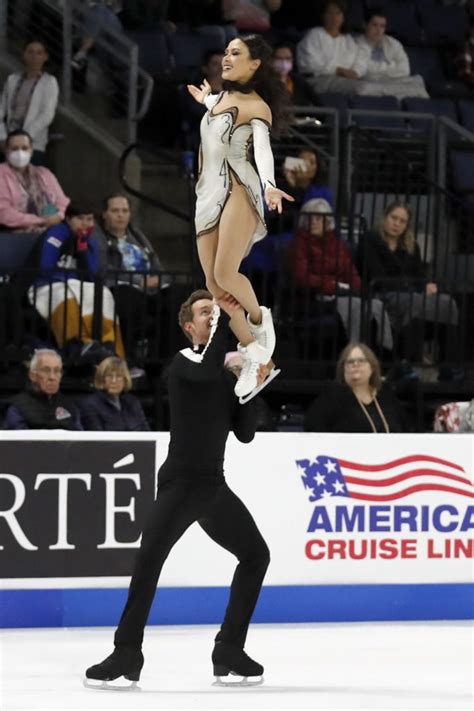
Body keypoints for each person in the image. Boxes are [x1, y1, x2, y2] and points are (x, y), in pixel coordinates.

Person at [85, 289, 270, 686]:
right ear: (190, 327)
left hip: (212, 488)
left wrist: (251, 381)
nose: (214, 317)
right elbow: (204, 372)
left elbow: (246, 434)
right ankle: (126, 653)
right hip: (180, 483)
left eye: (216, 313)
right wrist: (229, 334)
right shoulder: (184, 363)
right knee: (148, 562)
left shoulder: (223, 372)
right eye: (207, 313)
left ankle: (229, 649)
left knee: (256, 556)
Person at [187, 34, 294, 400]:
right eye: (226, 52)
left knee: (225, 273)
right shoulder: (221, 99)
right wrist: (205, 100)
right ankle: (253, 355)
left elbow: (261, 148)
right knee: (215, 289)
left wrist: (269, 185)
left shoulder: (256, 106)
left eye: (236, 53)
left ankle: (260, 320)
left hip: (239, 188)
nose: (226, 58)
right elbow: (215, 109)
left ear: (255, 64)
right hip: (206, 194)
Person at [357, 201, 459, 367]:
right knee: (416, 303)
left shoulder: (412, 246)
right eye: (393, 218)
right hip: (382, 293)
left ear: (407, 225)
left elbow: (419, 275)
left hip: (411, 294)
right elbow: (377, 275)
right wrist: (413, 286)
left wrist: (426, 285)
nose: (396, 224)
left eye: (402, 221)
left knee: (448, 303)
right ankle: (411, 363)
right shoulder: (371, 239)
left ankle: (449, 366)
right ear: (385, 217)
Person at [289, 198, 393, 351]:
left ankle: (385, 352)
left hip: (342, 294)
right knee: (355, 306)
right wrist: (332, 285)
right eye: (310, 217)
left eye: (319, 218)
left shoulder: (337, 244)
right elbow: (301, 276)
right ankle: (355, 352)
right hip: (313, 298)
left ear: (328, 222)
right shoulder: (299, 244)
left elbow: (350, 271)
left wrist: (357, 289)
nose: (314, 222)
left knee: (375, 305)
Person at [28, 202, 125, 361]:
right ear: (68, 219)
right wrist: (72, 280)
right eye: (80, 219)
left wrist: (83, 251)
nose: (85, 224)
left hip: (76, 285)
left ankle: (110, 346)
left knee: (104, 293)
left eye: (89, 219)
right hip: (45, 285)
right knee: (65, 295)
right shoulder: (56, 234)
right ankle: (76, 345)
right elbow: (46, 268)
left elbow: (92, 276)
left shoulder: (90, 241)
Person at [97, 192, 170, 364]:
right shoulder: (99, 237)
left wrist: (161, 280)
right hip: (120, 288)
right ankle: (129, 361)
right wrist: (139, 282)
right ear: (105, 214)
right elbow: (105, 270)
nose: (120, 215)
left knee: (174, 298)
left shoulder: (137, 236)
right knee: (129, 298)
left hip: (150, 289)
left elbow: (158, 267)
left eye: (124, 210)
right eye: (115, 211)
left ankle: (166, 361)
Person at [305, 341, 405, 432]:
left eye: (361, 360)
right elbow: (313, 428)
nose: (355, 364)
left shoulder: (385, 396)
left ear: (372, 367)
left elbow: (404, 429)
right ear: (343, 369)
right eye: (350, 362)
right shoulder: (332, 397)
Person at [0, 39, 59, 163]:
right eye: (30, 52)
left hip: (33, 144)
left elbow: (46, 115)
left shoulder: (49, 82)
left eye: (39, 53)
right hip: (8, 141)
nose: (34, 57)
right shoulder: (12, 79)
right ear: (24, 55)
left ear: (45, 57)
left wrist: (23, 138)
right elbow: (1, 109)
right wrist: (3, 137)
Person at [0, 129, 69, 232]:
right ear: (6, 150)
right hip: (14, 236)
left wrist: (58, 215)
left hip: (49, 233)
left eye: (24, 148)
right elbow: (4, 213)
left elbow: (61, 200)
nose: (20, 153)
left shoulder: (44, 173)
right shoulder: (2, 174)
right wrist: (39, 220)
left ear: (31, 150)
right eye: (14, 148)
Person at [296, 0, 369, 96]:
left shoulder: (348, 40)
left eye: (338, 13)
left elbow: (359, 61)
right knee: (363, 88)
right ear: (323, 15)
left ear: (343, 17)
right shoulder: (314, 35)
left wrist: (356, 72)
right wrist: (337, 70)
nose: (334, 17)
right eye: (330, 13)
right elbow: (309, 65)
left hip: (345, 81)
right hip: (318, 81)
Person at [355, 9, 429, 99]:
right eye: (375, 25)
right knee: (365, 88)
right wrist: (392, 66)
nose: (379, 30)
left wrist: (381, 71)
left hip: (394, 83)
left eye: (382, 26)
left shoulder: (393, 43)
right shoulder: (356, 44)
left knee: (418, 81)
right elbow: (367, 73)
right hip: (373, 84)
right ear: (365, 25)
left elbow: (405, 70)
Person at [4, 348, 83, 430]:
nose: (52, 377)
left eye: (57, 371)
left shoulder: (69, 405)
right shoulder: (18, 407)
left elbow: (80, 438)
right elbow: (18, 440)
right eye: (46, 370)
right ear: (32, 375)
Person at [80, 356, 150, 430]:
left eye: (119, 376)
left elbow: (146, 432)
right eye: (109, 376)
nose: (114, 381)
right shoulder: (90, 404)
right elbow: (98, 437)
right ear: (101, 379)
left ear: (125, 379)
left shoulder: (132, 402)